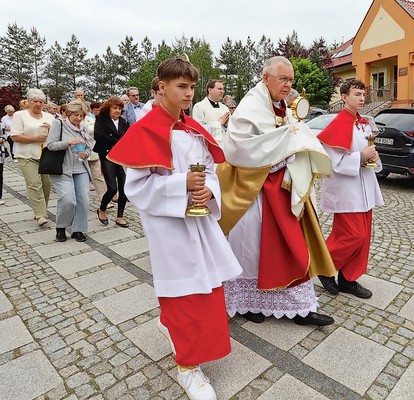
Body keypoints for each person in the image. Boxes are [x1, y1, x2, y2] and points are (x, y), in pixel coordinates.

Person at [107, 55, 242, 400]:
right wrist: (182, 183)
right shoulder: (145, 129)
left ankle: (177, 333)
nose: (188, 93)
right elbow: (137, 186)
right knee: (183, 292)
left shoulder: (192, 128)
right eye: (182, 86)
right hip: (169, 225)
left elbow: (212, 167)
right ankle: (187, 366)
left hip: (199, 218)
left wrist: (210, 187)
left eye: (192, 87)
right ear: (161, 87)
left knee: (207, 288)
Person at [218, 56, 336, 326]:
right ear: (265, 78)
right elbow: (238, 148)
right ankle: (247, 302)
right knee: (250, 247)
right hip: (253, 191)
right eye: (283, 79)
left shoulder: (285, 105)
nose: (288, 84)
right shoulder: (250, 106)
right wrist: (284, 148)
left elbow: (290, 134)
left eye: (291, 79)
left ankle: (300, 307)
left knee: (292, 244)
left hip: (282, 187)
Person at [316, 79, 384, 299]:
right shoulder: (338, 124)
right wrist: (361, 157)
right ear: (344, 97)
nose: (362, 98)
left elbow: (368, 153)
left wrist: (372, 156)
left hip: (364, 188)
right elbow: (333, 161)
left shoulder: (364, 124)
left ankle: (348, 279)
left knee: (363, 238)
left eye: (363, 94)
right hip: (347, 190)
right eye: (357, 94)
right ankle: (325, 267)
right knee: (352, 235)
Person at [45, 100, 92, 242]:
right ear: (69, 113)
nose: (78, 118)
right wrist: (68, 142)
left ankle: (78, 230)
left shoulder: (83, 129)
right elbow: (50, 145)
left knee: (83, 199)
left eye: (81, 116)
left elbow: (89, 147)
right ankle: (61, 227)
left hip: (80, 168)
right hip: (62, 168)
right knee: (68, 199)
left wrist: (86, 154)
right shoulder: (58, 124)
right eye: (76, 115)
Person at [10, 89, 55, 226]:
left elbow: (57, 135)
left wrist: (51, 129)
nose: (38, 104)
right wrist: (35, 138)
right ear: (29, 102)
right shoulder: (20, 115)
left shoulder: (49, 117)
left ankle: (42, 209)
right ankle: (40, 214)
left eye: (41, 102)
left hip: (45, 156)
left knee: (46, 186)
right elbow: (15, 136)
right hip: (26, 155)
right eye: (35, 101)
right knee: (34, 184)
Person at [94, 96, 130, 227]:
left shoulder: (123, 121)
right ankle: (102, 209)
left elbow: (129, 136)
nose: (117, 111)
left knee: (124, 187)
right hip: (108, 155)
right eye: (115, 108)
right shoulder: (100, 119)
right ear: (108, 109)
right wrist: (117, 143)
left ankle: (120, 216)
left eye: (120, 108)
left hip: (121, 157)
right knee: (112, 187)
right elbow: (99, 136)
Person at [83, 102, 107, 201]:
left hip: (92, 151)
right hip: (79, 153)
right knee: (83, 178)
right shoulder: (71, 121)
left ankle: (104, 199)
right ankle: (82, 201)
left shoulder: (91, 119)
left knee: (98, 176)